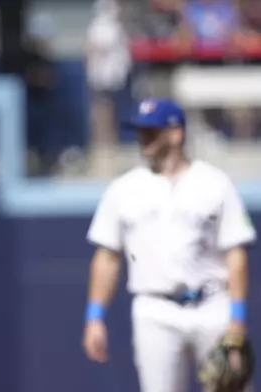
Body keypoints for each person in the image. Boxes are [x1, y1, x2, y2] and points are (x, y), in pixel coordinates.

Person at [81, 98, 256, 391]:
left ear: (176, 134)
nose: (144, 138)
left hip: (212, 304)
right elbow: (107, 258)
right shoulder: (123, 189)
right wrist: (94, 318)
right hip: (155, 309)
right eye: (141, 131)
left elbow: (235, 255)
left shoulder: (214, 183)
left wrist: (237, 320)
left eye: (152, 131)